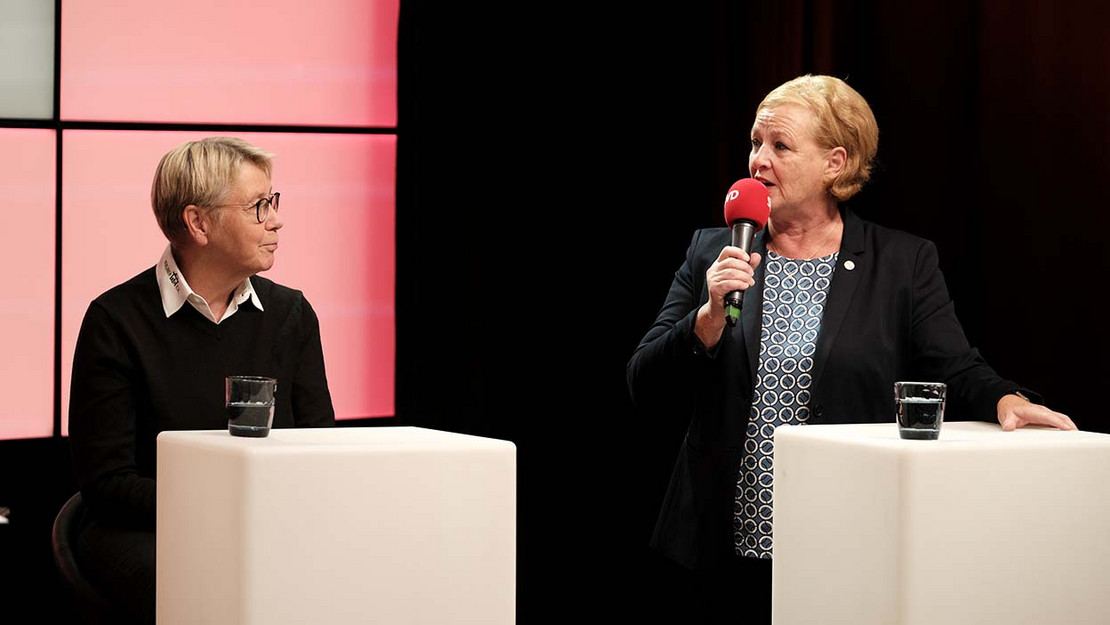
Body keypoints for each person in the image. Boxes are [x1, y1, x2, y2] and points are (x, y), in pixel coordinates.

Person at [625, 74, 1076, 623]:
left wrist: (1005, 399)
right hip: (721, 540)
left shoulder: (902, 264)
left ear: (834, 164)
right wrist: (708, 318)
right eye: (755, 142)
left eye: (780, 146)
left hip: (845, 537)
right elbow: (643, 381)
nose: (757, 161)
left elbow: (955, 365)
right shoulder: (712, 252)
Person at [68, 137, 335, 623]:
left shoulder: (290, 314)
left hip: (264, 525)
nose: (276, 220)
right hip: (148, 529)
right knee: (214, 590)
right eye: (258, 206)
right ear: (198, 223)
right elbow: (107, 482)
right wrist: (219, 511)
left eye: (273, 202)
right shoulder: (115, 320)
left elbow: (319, 450)